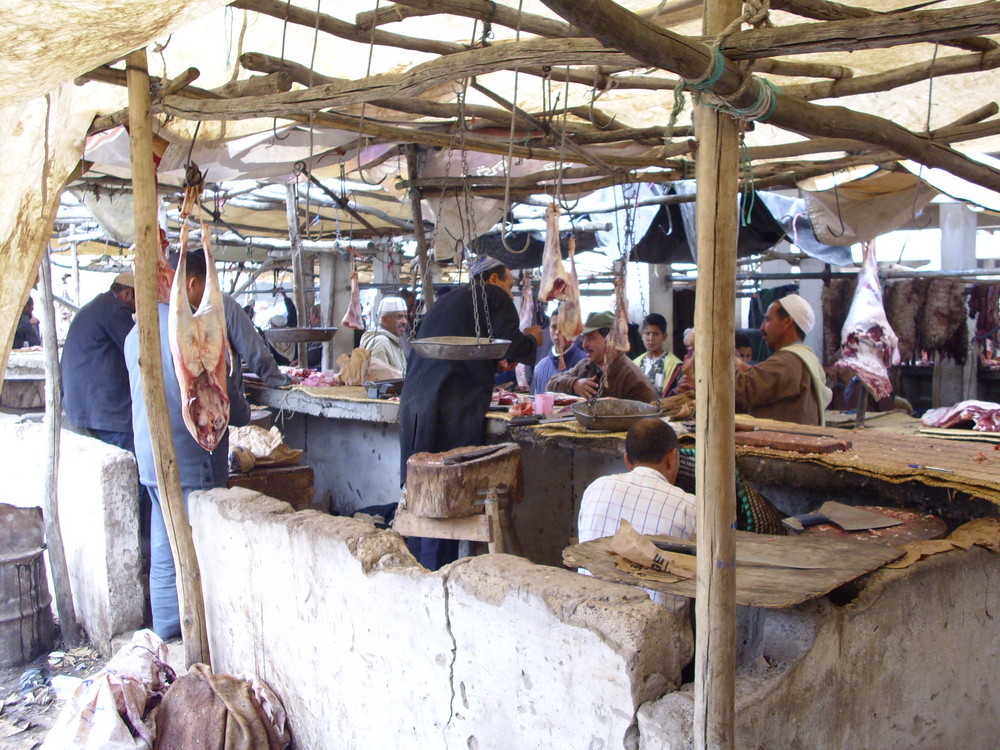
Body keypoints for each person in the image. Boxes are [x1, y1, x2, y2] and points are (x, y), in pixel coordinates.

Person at [126, 258, 251, 639]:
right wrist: (243, 411)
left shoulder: (137, 334)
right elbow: (226, 397)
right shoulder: (191, 335)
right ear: (182, 285)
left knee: (166, 541)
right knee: (196, 544)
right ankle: (201, 631)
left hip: (150, 455)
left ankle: (167, 629)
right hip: (187, 456)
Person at [398, 256, 542, 569]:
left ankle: (419, 569)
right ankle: (442, 572)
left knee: (422, 493)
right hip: (449, 405)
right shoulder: (491, 295)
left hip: (415, 404)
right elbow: (514, 345)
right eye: (509, 284)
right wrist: (532, 338)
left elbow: (467, 350)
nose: (510, 292)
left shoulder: (448, 301)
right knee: (449, 496)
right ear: (493, 281)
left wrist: (493, 362)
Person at [578, 417, 696, 616]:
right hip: (658, 629)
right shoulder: (689, 506)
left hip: (590, 616)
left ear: (627, 460)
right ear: (672, 458)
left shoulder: (596, 488)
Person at [181, 250, 289, 387]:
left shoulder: (162, 312)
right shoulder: (223, 304)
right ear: (194, 283)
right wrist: (280, 381)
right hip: (223, 397)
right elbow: (254, 352)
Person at [61, 272, 137, 450]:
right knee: (133, 462)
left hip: (80, 404)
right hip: (103, 411)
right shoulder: (115, 308)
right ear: (127, 293)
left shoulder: (97, 305)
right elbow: (137, 351)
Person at [734, 293, 833, 426]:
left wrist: (720, 353)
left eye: (768, 320)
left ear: (787, 322)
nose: (762, 327)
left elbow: (742, 388)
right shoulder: (804, 358)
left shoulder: (787, 362)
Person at [546, 311, 657, 402]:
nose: (584, 345)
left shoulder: (633, 379)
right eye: (584, 338)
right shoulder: (584, 366)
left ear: (610, 340)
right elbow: (551, 384)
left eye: (591, 338)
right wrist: (574, 384)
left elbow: (648, 418)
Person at [531, 311, 587, 395]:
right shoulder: (540, 367)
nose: (557, 332)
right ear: (549, 329)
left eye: (563, 327)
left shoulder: (586, 364)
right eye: (554, 327)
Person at [633, 313, 682, 397]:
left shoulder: (674, 365)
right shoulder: (636, 363)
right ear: (642, 336)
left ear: (664, 336)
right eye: (647, 333)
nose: (651, 339)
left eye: (655, 334)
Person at [360, 296, 409, 375]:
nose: (404, 322)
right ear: (384, 320)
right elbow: (379, 380)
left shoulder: (392, 341)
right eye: (399, 317)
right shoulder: (380, 342)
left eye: (405, 317)